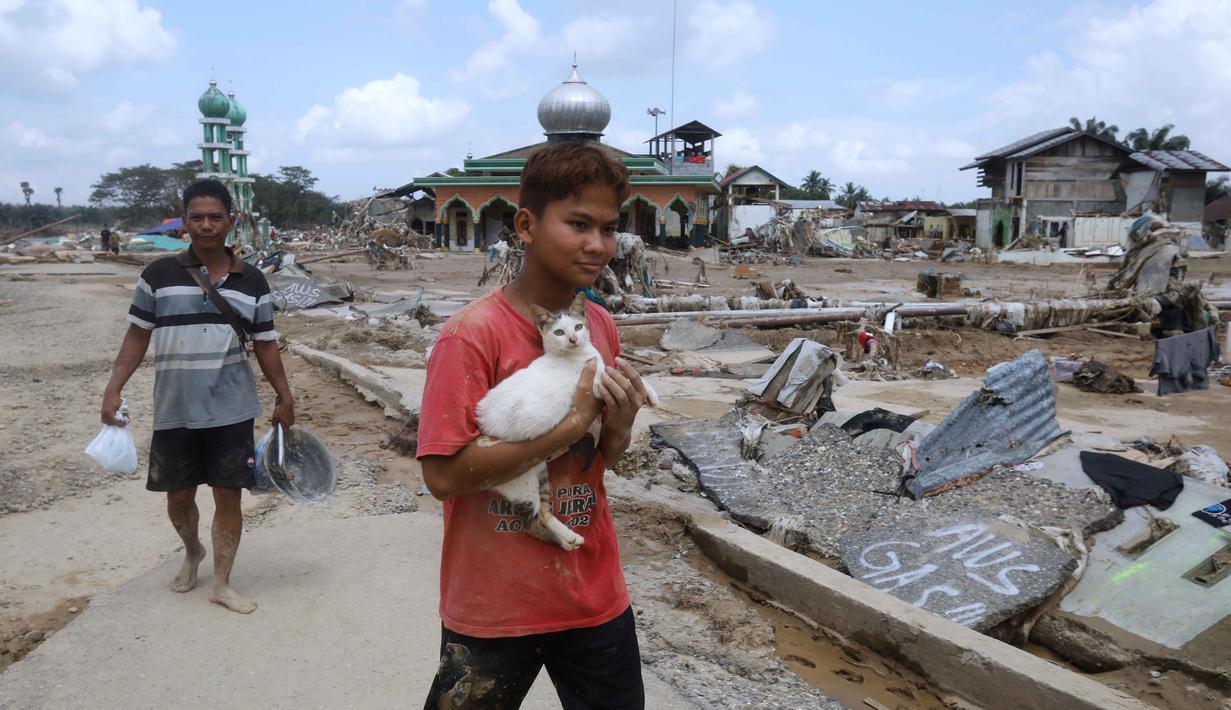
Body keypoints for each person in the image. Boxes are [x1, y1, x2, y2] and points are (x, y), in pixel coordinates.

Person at [418, 142, 651, 709]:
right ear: (525, 224)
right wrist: (571, 424)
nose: (598, 245)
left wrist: (617, 424)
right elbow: (444, 478)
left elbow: (603, 462)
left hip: (593, 593)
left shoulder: (597, 324)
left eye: (608, 228)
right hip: (494, 605)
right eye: (578, 224)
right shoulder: (471, 336)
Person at [100, 179, 295, 615]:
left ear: (232, 220)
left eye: (215, 217)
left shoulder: (253, 280)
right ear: (184, 221)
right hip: (176, 408)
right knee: (179, 498)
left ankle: (222, 583)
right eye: (197, 217)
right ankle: (192, 551)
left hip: (232, 408)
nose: (206, 226)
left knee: (229, 495)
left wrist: (284, 395)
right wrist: (114, 388)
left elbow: (265, 343)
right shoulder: (157, 276)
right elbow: (136, 336)